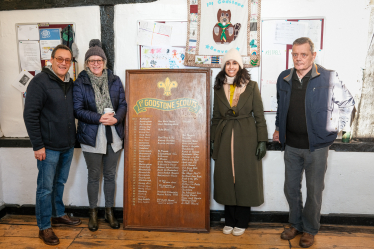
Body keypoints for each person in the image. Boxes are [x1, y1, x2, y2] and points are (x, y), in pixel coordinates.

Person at [273, 37, 355, 248]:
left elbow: (347, 103)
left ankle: (310, 229)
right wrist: (278, 128)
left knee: (314, 190)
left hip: (316, 147)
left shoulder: (328, 77)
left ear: (313, 55)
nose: (298, 58)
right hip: (290, 145)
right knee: (290, 189)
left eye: (303, 54)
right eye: (295, 54)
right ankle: (296, 224)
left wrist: (340, 127)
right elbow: (281, 107)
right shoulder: (284, 77)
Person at [23, 45, 81, 246]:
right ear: (51, 60)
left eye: (67, 60)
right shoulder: (39, 82)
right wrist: (37, 145)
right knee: (45, 188)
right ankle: (44, 227)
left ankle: (58, 214)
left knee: (59, 183)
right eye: (60, 59)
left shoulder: (69, 83)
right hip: (47, 147)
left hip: (67, 144)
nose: (64, 63)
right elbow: (29, 115)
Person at [211, 48, 268, 236]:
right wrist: (213, 140)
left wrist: (262, 140)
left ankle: (242, 221)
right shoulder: (218, 87)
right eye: (228, 63)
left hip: (247, 136)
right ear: (224, 67)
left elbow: (259, 115)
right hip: (225, 135)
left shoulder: (251, 86)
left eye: (234, 63)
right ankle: (229, 220)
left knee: (244, 177)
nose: (231, 66)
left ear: (240, 66)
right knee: (227, 177)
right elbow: (216, 117)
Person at [73, 39, 127, 232]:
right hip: (91, 135)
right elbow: (77, 110)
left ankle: (109, 212)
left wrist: (117, 119)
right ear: (87, 63)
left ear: (104, 62)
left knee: (111, 175)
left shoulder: (115, 80)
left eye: (99, 60)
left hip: (114, 134)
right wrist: (99, 118)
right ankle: (93, 213)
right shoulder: (80, 82)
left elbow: (123, 104)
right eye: (92, 60)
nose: (96, 63)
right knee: (94, 176)